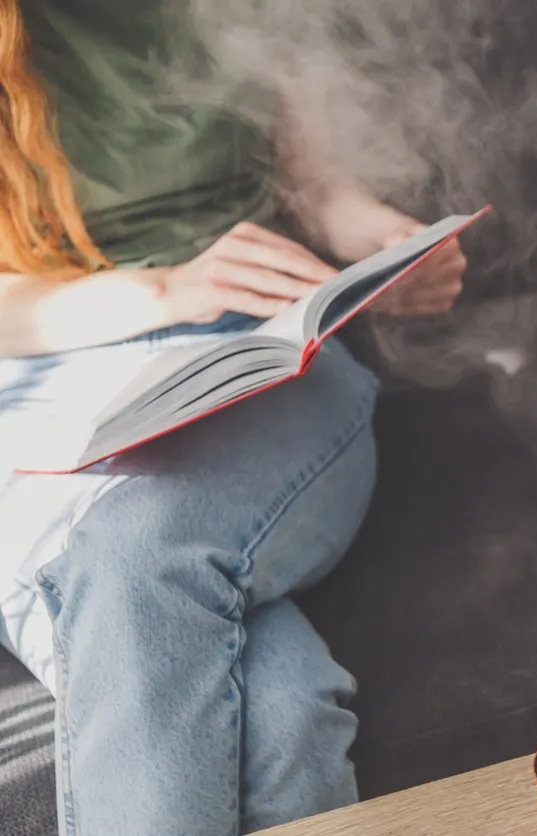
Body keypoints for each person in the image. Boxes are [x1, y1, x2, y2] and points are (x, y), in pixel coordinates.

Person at [0, 1, 467, 833]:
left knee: (134, 555)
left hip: (252, 352)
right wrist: (160, 290)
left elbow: (320, 189)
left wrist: (385, 245)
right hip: (48, 380)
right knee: (284, 717)